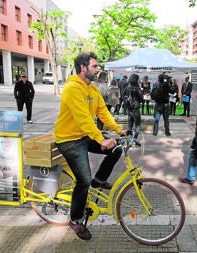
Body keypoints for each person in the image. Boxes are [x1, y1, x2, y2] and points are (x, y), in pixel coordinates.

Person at [54, 52, 128, 240]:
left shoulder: (93, 89)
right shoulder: (72, 89)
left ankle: (100, 180)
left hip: (85, 135)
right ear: (83, 68)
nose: (98, 69)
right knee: (83, 180)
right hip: (69, 140)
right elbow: (83, 119)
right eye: (95, 66)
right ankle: (75, 220)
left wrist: (118, 130)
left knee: (116, 149)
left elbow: (103, 113)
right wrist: (101, 139)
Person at [124, 73, 144, 146]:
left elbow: (124, 96)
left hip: (129, 109)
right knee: (138, 125)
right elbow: (141, 99)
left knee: (129, 125)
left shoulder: (127, 87)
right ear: (136, 80)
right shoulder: (137, 88)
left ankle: (129, 140)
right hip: (135, 109)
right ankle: (134, 141)